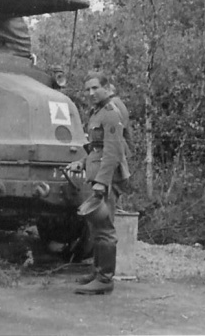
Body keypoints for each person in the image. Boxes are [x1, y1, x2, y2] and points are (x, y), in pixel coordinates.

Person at [73, 71, 130, 295]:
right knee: (96, 227)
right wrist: (82, 163)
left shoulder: (110, 114)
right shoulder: (96, 113)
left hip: (106, 180)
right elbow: (96, 148)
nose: (91, 93)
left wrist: (102, 182)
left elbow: (113, 151)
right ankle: (98, 272)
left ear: (108, 87)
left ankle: (105, 279)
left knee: (104, 228)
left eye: (95, 88)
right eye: (88, 89)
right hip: (96, 176)